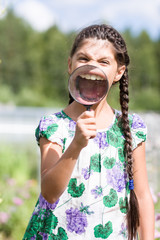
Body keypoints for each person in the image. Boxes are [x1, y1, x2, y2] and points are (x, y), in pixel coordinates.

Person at [23, 24, 154, 240]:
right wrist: (76, 144)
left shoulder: (132, 128)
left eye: (104, 62)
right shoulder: (54, 125)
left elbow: (142, 195)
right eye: (83, 59)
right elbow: (49, 192)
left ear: (119, 72)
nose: (92, 67)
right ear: (70, 64)